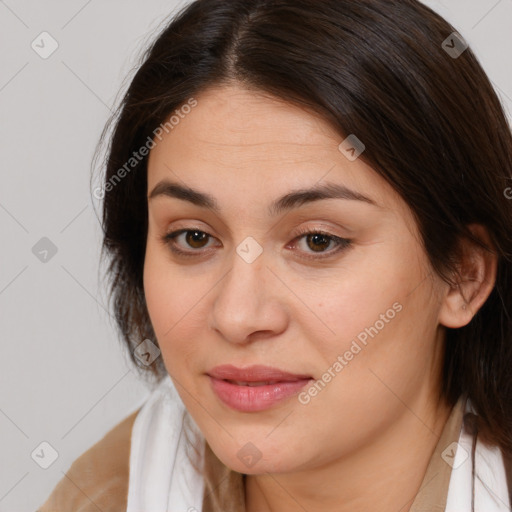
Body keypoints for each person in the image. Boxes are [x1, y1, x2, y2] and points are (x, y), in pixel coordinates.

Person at [39, 0, 512, 511]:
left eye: (317, 241)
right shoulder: (99, 495)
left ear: (463, 276)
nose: (238, 316)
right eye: (194, 237)